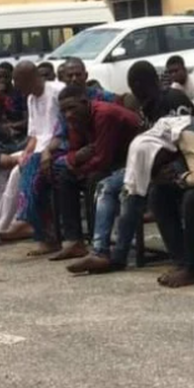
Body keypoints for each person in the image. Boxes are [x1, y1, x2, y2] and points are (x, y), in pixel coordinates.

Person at [68, 116, 194, 282]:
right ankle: (180, 260)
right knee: (158, 193)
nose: (158, 168)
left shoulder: (188, 135)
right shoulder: (160, 134)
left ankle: (193, 269)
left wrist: (180, 177)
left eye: (157, 163)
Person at [66, 62, 194, 274]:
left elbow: (189, 139)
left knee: (133, 191)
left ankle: (119, 255)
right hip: (148, 165)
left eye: (135, 86)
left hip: (182, 162)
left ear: (140, 84)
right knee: (107, 186)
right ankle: (101, 252)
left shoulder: (172, 99)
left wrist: (154, 169)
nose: (134, 93)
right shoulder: (146, 106)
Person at [0, 61, 65, 253]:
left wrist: (33, 155)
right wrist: (26, 153)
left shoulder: (56, 91)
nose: (17, 87)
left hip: (58, 147)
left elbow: (61, 130)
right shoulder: (31, 99)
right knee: (6, 168)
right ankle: (4, 227)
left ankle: (20, 221)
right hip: (39, 148)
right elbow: (34, 135)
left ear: (30, 78)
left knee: (21, 172)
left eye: (18, 82)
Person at [48, 85, 141, 261]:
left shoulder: (103, 115)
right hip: (108, 161)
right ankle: (74, 240)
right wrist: (76, 160)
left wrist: (76, 165)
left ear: (84, 102)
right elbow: (75, 152)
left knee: (95, 178)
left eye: (72, 108)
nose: (68, 114)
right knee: (65, 178)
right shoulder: (76, 120)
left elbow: (102, 159)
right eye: (64, 111)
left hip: (129, 162)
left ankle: (96, 242)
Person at [128, 61, 194, 127]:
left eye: (132, 89)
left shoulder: (173, 99)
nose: (134, 95)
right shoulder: (148, 107)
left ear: (137, 86)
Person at [0, 62, 27, 144]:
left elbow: (27, 121)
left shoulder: (22, 94)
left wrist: (11, 126)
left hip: (20, 135)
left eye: (6, 77)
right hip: (0, 137)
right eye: (0, 77)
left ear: (12, 77)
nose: (2, 80)